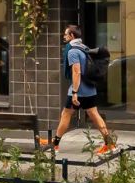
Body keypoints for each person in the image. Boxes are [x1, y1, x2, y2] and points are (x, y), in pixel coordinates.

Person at [40, 23, 117, 155]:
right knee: (94, 115)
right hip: (90, 89)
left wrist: (75, 92)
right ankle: (109, 144)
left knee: (66, 114)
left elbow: (77, 72)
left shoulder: (73, 51)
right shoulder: (83, 47)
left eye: (65, 34)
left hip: (79, 90)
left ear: (72, 35)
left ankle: (55, 144)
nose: (64, 36)